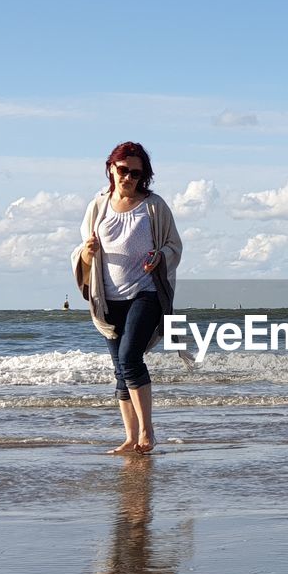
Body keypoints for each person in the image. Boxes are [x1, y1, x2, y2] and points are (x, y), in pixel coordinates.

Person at [72, 142, 182, 454]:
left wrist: (160, 256)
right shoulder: (98, 206)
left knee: (130, 358)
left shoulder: (154, 206)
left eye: (136, 172)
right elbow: (83, 249)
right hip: (108, 299)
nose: (129, 177)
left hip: (144, 293)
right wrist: (87, 253)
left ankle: (148, 434)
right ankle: (131, 438)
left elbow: (175, 246)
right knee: (120, 369)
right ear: (111, 169)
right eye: (123, 170)